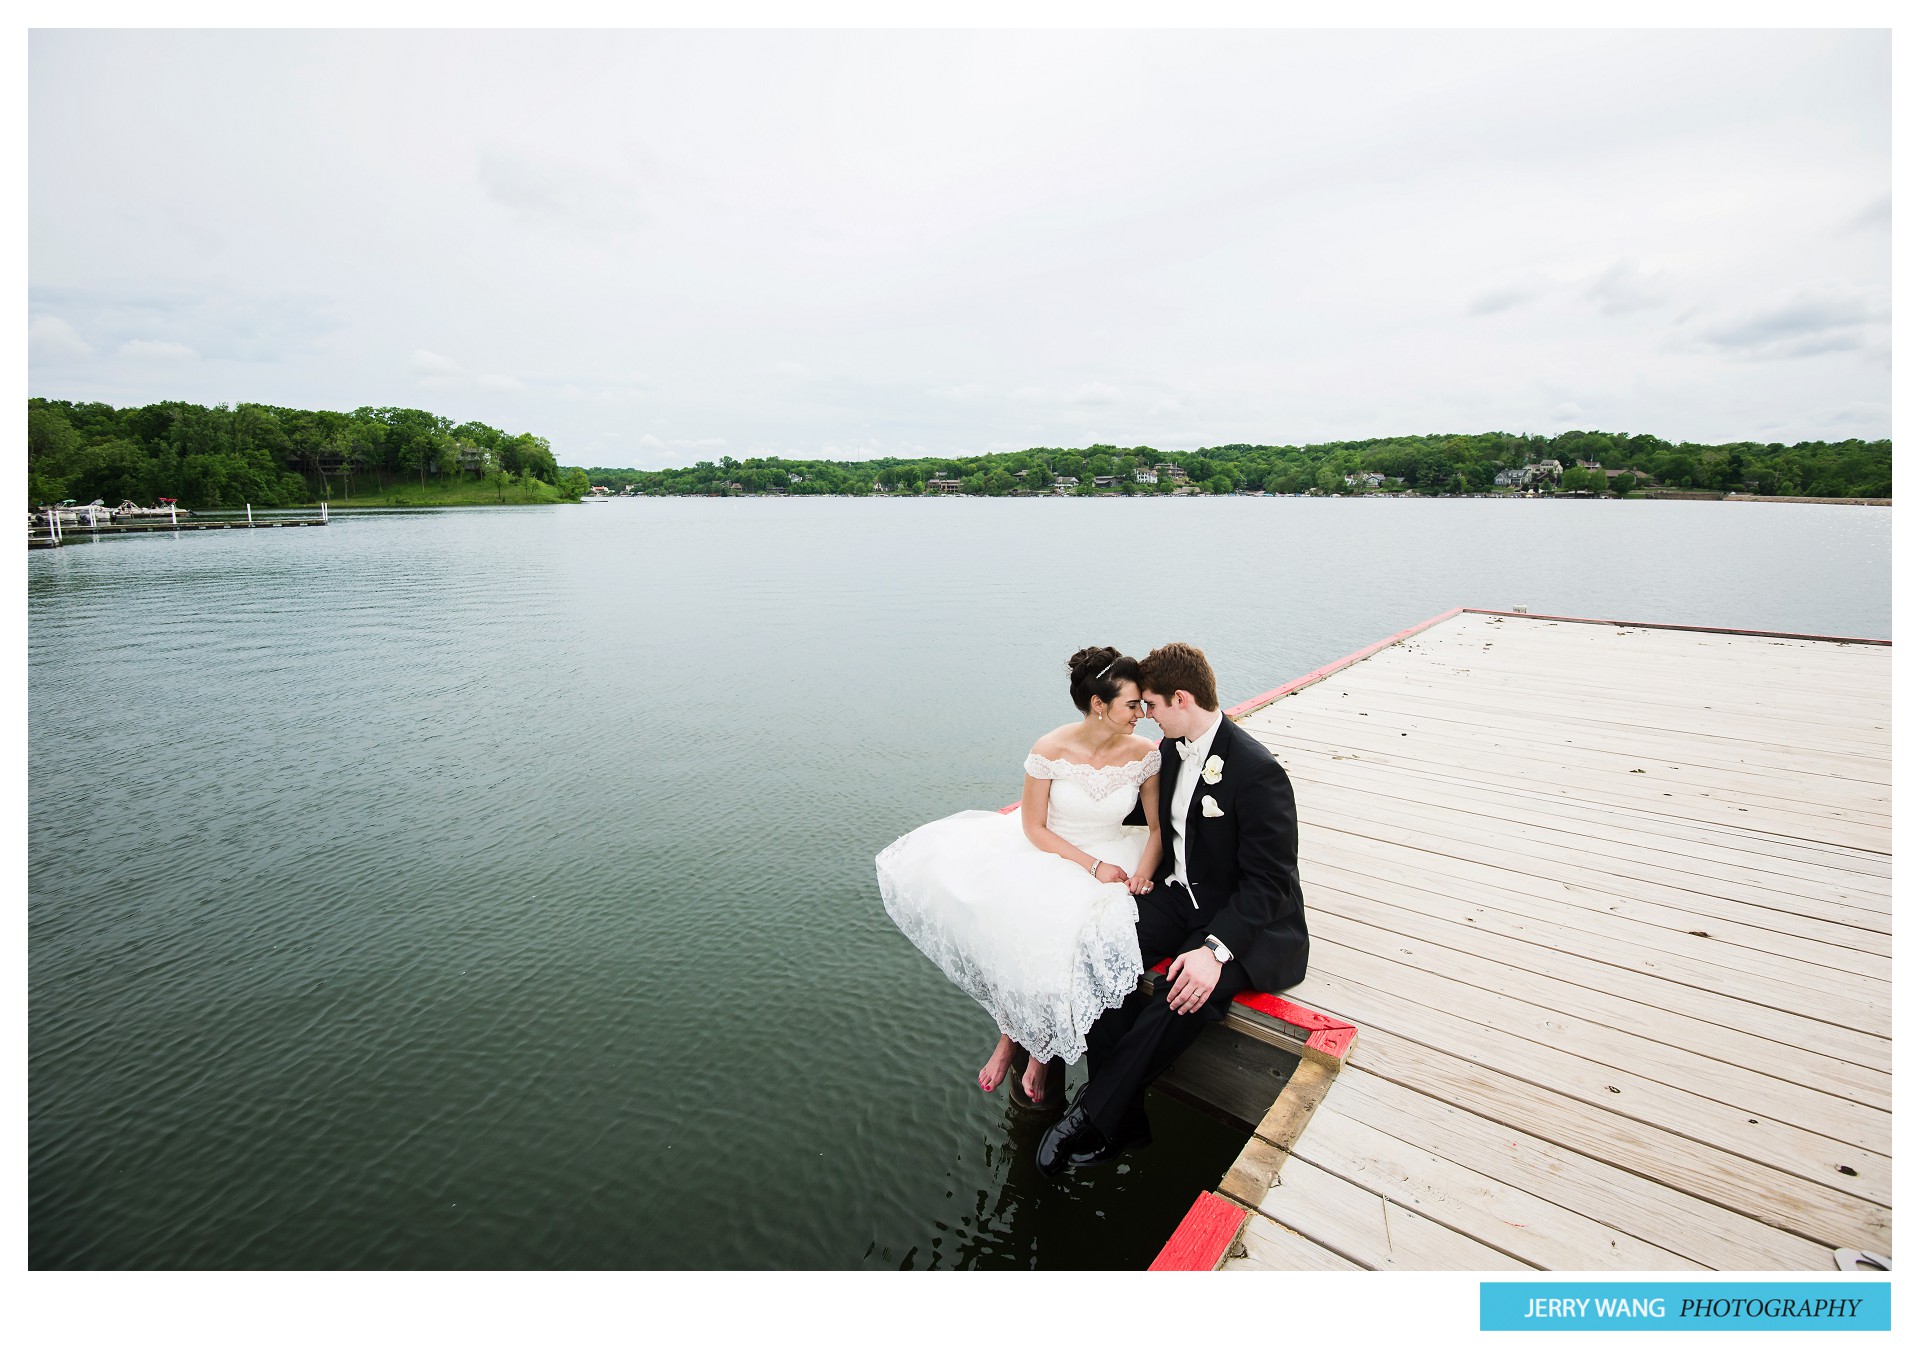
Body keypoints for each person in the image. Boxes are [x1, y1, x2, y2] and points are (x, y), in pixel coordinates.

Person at [1036, 641, 1309, 1175]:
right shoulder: (1168, 753)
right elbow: (1120, 807)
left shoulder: (1257, 772)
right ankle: (1126, 1122)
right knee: (1098, 955)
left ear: (1180, 700)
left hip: (1246, 924)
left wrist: (1215, 950)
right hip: (1178, 898)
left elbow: (1271, 884)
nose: (1144, 717)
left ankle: (1091, 1113)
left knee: (1178, 994)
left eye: (1151, 706)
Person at [876, 646, 1164, 1108]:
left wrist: (1141, 875)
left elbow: (1154, 830)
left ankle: (1036, 1052)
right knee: (1030, 921)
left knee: (1074, 935)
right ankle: (1016, 1040)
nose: (1141, 715)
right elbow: (1033, 827)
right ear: (1099, 705)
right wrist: (1091, 866)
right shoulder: (1049, 749)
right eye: (1132, 705)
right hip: (1053, 850)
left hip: (1116, 857)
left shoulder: (1145, 755)